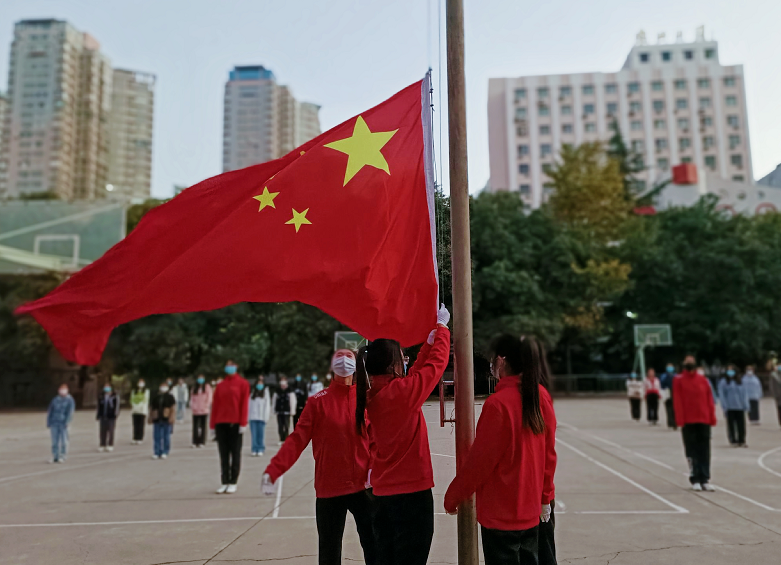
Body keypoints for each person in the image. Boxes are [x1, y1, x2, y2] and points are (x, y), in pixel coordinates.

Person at [444, 335, 556, 565]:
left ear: (502, 361)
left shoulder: (498, 404)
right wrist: (546, 497)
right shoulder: (540, 396)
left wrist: (453, 496)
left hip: (501, 515)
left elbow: (480, 463)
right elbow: (549, 454)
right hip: (531, 509)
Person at [354, 304, 450, 565]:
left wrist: (429, 343)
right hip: (411, 495)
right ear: (392, 364)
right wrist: (442, 330)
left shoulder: (376, 394)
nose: (405, 360)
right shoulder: (400, 394)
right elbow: (435, 367)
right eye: (401, 357)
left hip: (383, 494)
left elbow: (418, 371)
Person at [263, 349, 376, 565]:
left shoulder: (366, 400)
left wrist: (374, 470)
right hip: (330, 488)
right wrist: (274, 470)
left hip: (364, 486)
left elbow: (377, 440)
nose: (344, 362)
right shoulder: (317, 402)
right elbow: (297, 439)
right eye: (339, 357)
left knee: (374, 547)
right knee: (329, 552)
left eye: (349, 357)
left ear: (356, 366)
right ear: (331, 366)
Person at [673, 355, 717, 491]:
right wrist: (680, 419)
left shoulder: (703, 380)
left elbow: (709, 399)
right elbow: (677, 400)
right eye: (687, 362)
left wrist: (712, 416)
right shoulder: (679, 380)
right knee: (692, 450)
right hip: (688, 420)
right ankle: (695, 478)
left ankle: (705, 478)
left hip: (703, 419)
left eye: (691, 361)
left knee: (705, 450)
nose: (690, 363)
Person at [210, 360, 250, 494]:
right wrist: (212, 425)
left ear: (236, 367)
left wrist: (243, 423)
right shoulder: (220, 385)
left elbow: (244, 404)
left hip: (235, 423)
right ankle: (224, 481)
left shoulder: (243, 384)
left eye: (232, 365)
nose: (229, 368)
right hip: (221, 422)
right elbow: (215, 405)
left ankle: (233, 481)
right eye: (227, 365)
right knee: (223, 454)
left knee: (235, 453)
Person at [718, 365, 749, 447]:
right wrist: (724, 405)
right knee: (731, 425)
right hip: (730, 407)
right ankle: (733, 440)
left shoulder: (740, 381)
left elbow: (744, 393)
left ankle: (741, 440)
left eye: (732, 370)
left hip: (740, 407)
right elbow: (722, 395)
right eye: (728, 370)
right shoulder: (724, 382)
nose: (730, 372)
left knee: (741, 425)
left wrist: (745, 404)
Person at [47, 384, 75, 463]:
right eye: (61, 389)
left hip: (63, 423)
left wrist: (67, 422)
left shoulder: (70, 400)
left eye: (64, 389)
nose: (62, 391)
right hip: (54, 422)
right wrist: (49, 422)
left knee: (64, 441)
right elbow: (50, 411)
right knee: (54, 441)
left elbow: (70, 412)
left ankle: (63, 456)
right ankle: (55, 456)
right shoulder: (55, 399)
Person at [149, 382, 176, 459]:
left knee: (166, 436)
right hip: (157, 418)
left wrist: (172, 417)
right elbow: (151, 408)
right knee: (156, 436)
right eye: (162, 386)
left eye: (165, 386)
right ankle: (157, 452)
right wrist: (150, 417)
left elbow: (173, 408)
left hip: (166, 418)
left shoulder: (170, 397)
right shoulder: (155, 397)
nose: (163, 388)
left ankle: (165, 451)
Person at [249, 378, 271, 456]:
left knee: (260, 434)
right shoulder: (252, 394)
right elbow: (248, 405)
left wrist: (266, 417)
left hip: (261, 417)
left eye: (261, 383)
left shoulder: (265, 394)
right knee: (254, 435)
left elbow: (267, 406)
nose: (259, 385)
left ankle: (260, 448)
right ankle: (254, 448)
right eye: (258, 383)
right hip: (252, 417)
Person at [96, 383, 120, 452]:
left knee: (111, 431)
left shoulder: (114, 396)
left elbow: (117, 406)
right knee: (102, 431)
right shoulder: (101, 396)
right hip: (103, 416)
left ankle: (110, 444)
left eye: (108, 387)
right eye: (105, 387)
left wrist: (115, 414)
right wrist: (98, 415)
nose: (106, 388)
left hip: (111, 416)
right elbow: (99, 406)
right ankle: (102, 444)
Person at [190, 375, 212, 448]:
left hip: (204, 409)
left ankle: (202, 441)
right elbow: (192, 398)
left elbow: (209, 397)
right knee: (195, 426)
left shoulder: (207, 387)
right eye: (199, 378)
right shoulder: (194, 388)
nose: (200, 380)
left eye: (202, 378)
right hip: (196, 410)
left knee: (203, 426)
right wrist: (193, 406)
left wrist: (207, 405)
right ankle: (195, 441)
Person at [274, 378, 297, 443]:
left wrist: (292, 410)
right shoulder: (277, 391)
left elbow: (293, 401)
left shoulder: (290, 390)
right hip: (279, 411)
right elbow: (274, 400)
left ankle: (286, 438)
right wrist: (274, 409)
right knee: (280, 426)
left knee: (286, 425)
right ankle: (281, 439)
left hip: (287, 411)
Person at [130, 379, 150, 445]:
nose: (140, 384)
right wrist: (134, 405)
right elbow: (132, 399)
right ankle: (135, 438)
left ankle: (140, 438)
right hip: (135, 410)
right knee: (135, 425)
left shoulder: (146, 391)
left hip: (142, 410)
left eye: (142, 382)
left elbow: (146, 400)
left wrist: (140, 405)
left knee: (141, 425)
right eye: (139, 382)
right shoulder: (134, 391)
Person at [660, 363, 677, 430]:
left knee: (675, 409)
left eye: (671, 367)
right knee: (669, 408)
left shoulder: (676, 375)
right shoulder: (664, 375)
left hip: (675, 392)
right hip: (667, 392)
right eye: (669, 367)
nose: (670, 369)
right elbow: (662, 384)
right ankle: (670, 422)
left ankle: (675, 422)